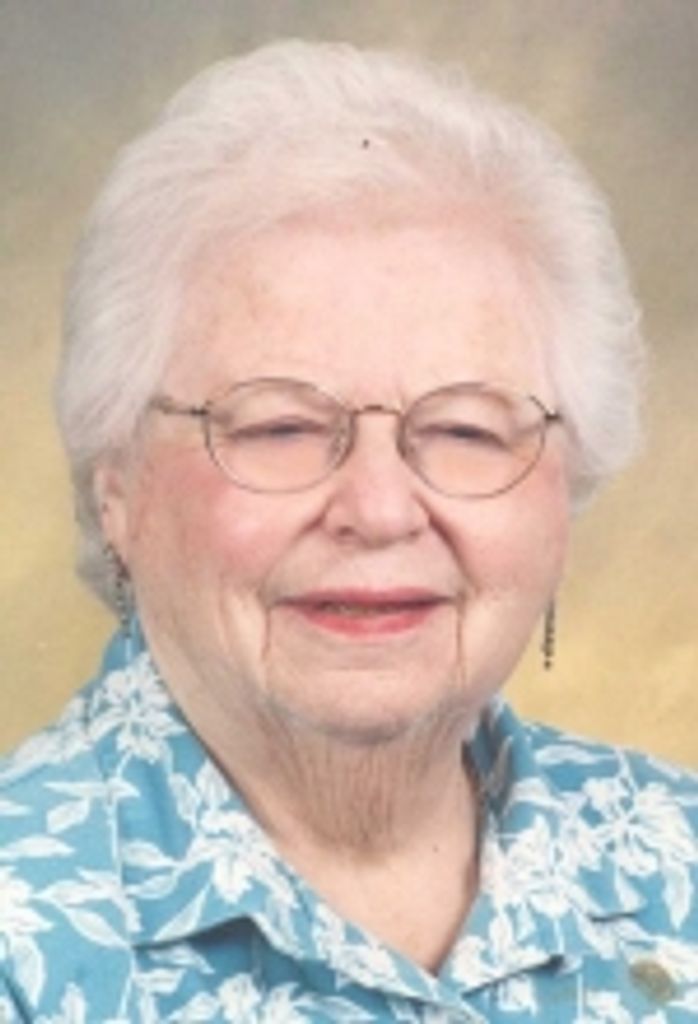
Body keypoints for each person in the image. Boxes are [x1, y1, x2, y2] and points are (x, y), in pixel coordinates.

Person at [1, 39, 696, 1024]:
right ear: (117, 488)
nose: (377, 509)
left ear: (563, 488)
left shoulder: (678, 857)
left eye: (466, 430)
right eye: (279, 427)